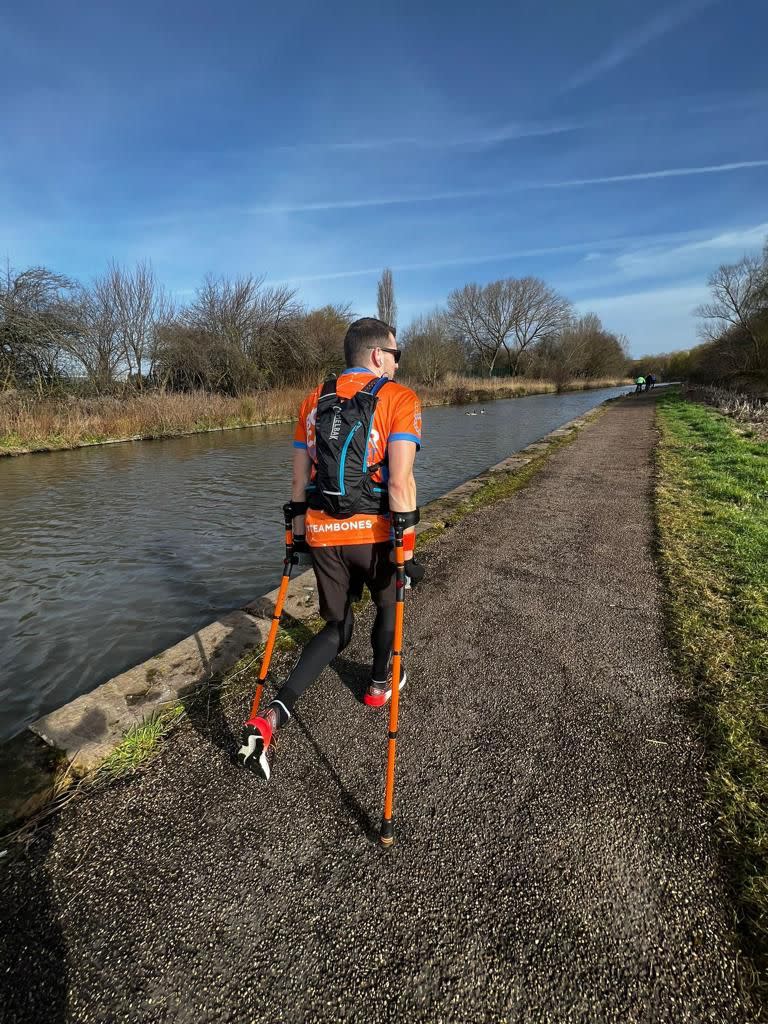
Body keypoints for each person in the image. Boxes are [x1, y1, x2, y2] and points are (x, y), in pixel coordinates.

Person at [243, 317, 423, 781]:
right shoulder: (399, 398)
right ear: (378, 356)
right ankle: (379, 686)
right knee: (388, 604)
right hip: (375, 534)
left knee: (337, 627)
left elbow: (299, 479)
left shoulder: (312, 401)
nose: (397, 363)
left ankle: (271, 718)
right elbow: (401, 481)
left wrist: (298, 533)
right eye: (396, 355)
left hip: (323, 534)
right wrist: (407, 548)